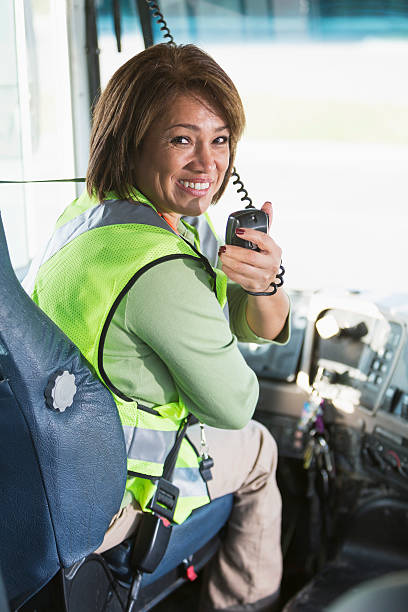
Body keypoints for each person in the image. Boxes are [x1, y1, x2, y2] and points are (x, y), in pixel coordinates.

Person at [31, 43, 290, 611]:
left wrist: (264, 285)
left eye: (219, 140)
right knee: (260, 448)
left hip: (57, 478)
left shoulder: (94, 213)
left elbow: (245, 324)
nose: (208, 165)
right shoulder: (161, 270)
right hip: (118, 502)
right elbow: (234, 404)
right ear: (133, 141)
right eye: (182, 140)